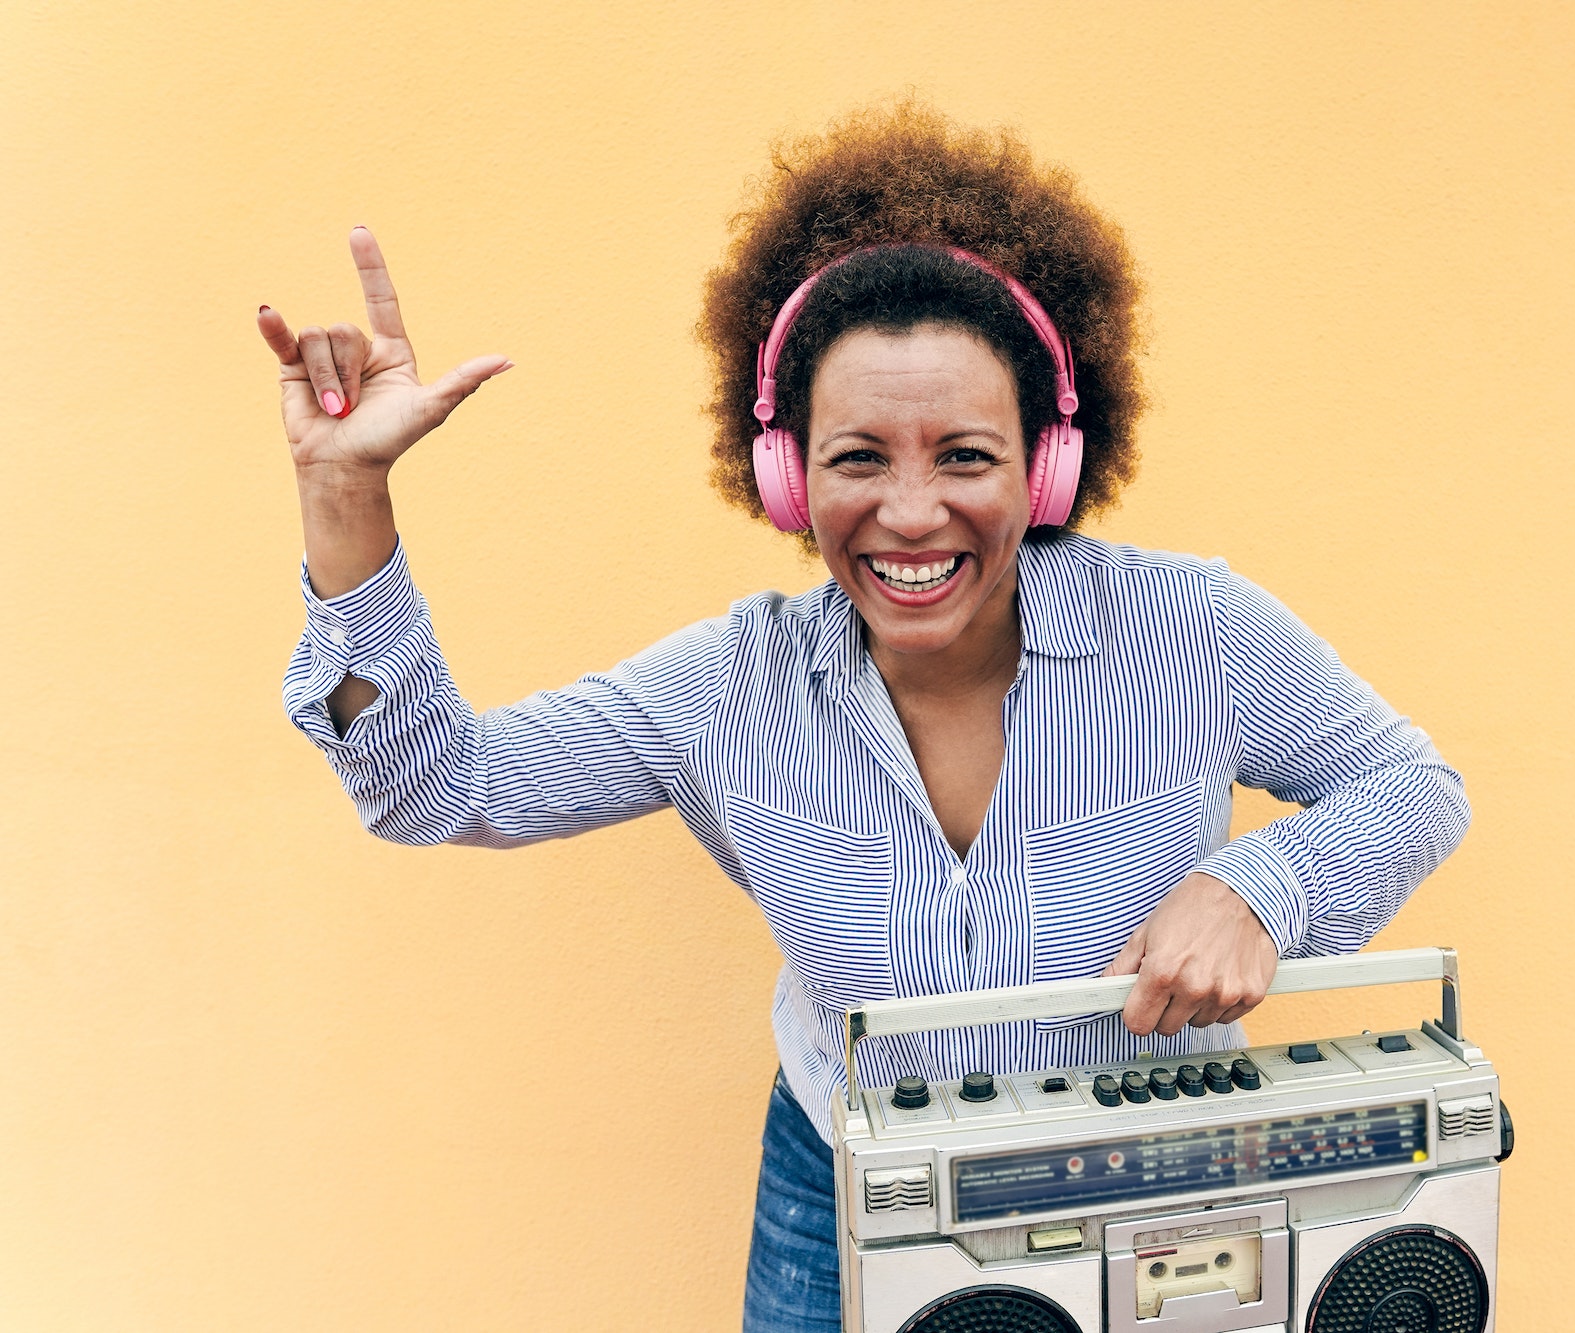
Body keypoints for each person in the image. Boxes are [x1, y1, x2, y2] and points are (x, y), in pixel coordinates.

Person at [257, 103, 1470, 1333]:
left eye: (963, 456)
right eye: (855, 459)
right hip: (838, 1180)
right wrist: (344, 489)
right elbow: (435, 787)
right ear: (786, 476)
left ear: (1045, 468)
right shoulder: (725, 685)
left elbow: (1412, 786)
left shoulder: (1191, 628)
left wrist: (1260, 888)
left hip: (1145, 1192)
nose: (908, 512)